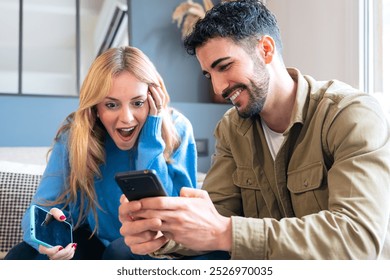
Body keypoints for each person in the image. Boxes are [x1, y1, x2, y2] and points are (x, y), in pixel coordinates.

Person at [118, 0, 390, 259]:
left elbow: (357, 239)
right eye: (209, 75)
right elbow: (217, 213)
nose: (218, 88)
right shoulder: (231, 128)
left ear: (266, 50)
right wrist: (164, 234)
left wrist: (226, 233)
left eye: (224, 66)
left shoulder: (350, 115)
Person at [5, 46, 198, 260]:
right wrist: (44, 238)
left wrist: (152, 134)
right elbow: (42, 207)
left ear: (154, 98)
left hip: (154, 246)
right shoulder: (76, 133)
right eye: (112, 104)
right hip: (95, 242)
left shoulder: (178, 129)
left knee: (121, 251)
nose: (126, 118)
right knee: (22, 254)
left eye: (138, 103)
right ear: (96, 107)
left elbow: (167, 218)